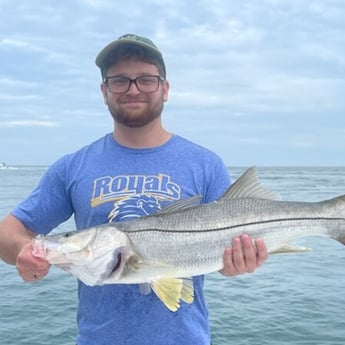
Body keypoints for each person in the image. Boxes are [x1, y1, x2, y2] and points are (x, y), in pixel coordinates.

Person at [0, 34, 268, 345]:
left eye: (146, 79)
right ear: (104, 91)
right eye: (119, 81)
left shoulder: (205, 164)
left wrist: (238, 264)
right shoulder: (72, 167)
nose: (133, 89)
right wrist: (23, 252)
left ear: (165, 89)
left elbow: (225, 252)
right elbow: (9, 231)